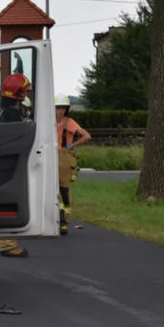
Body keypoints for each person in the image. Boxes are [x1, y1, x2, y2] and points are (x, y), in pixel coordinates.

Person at [0, 73, 31, 258]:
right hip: (11, 163)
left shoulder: (5, 112)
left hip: (6, 161)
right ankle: (8, 244)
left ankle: (9, 242)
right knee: (10, 203)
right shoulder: (12, 115)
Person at [55, 93, 90, 235]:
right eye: (58, 108)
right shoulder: (48, 121)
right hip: (50, 156)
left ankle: (64, 222)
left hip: (64, 157)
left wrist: (71, 145)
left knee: (64, 191)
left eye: (63, 108)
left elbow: (86, 136)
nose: (60, 111)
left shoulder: (69, 122)